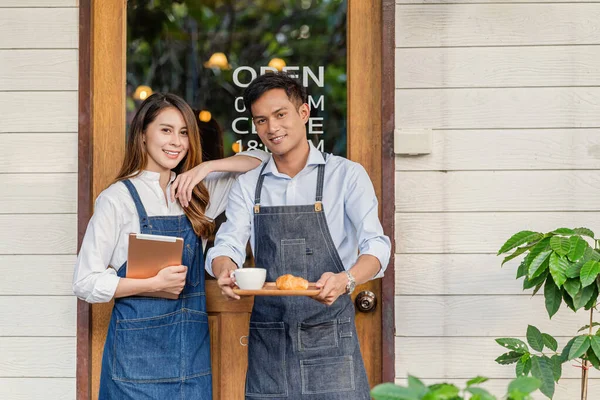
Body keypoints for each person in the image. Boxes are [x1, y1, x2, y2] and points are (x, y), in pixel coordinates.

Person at [205, 72, 391, 399]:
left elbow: (376, 245)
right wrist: (224, 270)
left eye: (280, 115)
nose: (272, 128)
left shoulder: (345, 175)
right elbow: (228, 244)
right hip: (270, 340)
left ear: (303, 113)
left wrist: (347, 279)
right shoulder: (249, 185)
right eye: (261, 120)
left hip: (329, 335)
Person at [72, 93, 268, 399]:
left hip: (190, 357)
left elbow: (262, 161)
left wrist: (205, 168)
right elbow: (85, 282)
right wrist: (152, 283)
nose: (176, 141)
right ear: (142, 135)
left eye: (184, 132)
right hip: (132, 363)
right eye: (166, 130)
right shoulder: (118, 198)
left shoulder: (197, 192)